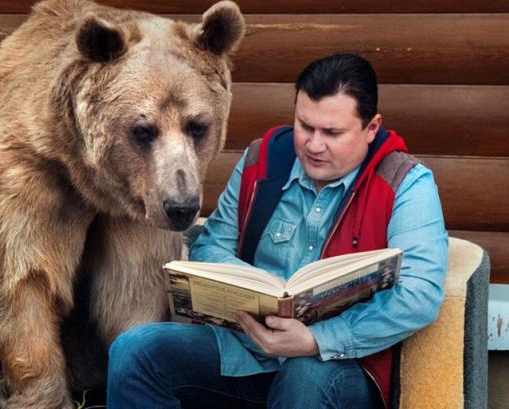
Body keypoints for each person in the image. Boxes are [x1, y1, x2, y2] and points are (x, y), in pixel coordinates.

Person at [106, 53, 448, 409]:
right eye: (305, 126)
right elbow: (210, 246)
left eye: (332, 133)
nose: (314, 145)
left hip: (337, 365)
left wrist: (315, 340)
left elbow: (418, 294)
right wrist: (253, 290)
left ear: (371, 128)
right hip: (246, 350)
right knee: (137, 351)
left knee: (304, 375)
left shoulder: (406, 183)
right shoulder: (264, 159)